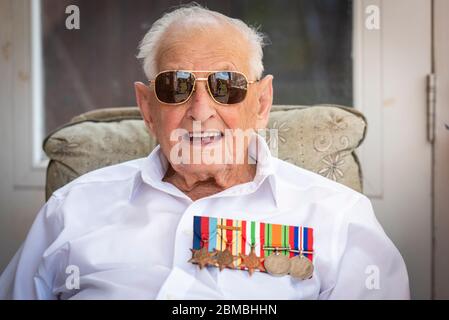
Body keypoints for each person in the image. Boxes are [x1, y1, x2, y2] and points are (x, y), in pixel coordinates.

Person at [0, 4, 409, 299]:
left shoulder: (337, 217)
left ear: (262, 103)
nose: (200, 111)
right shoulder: (73, 209)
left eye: (225, 86)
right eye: (176, 87)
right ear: (147, 107)